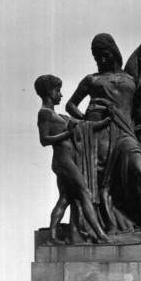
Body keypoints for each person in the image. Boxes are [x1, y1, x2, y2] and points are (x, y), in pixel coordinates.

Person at [66, 33, 141, 234]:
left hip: (125, 132)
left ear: (114, 52)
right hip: (101, 134)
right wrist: (87, 123)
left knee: (140, 170)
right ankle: (102, 221)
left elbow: (138, 112)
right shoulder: (91, 80)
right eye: (97, 56)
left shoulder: (132, 80)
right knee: (100, 180)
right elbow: (70, 105)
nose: (101, 60)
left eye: (105, 54)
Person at [34, 74, 110, 244]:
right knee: (85, 193)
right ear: (48, 92)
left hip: (65, 161)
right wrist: (68, 132)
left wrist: (107, 120)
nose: (60, 95)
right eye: (57, 91)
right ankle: (100, 234)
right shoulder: (44, 114)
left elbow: (85, 127)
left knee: (65, 198)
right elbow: (44, 140)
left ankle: (52, 237)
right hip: (63, 161)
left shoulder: (58, 115)